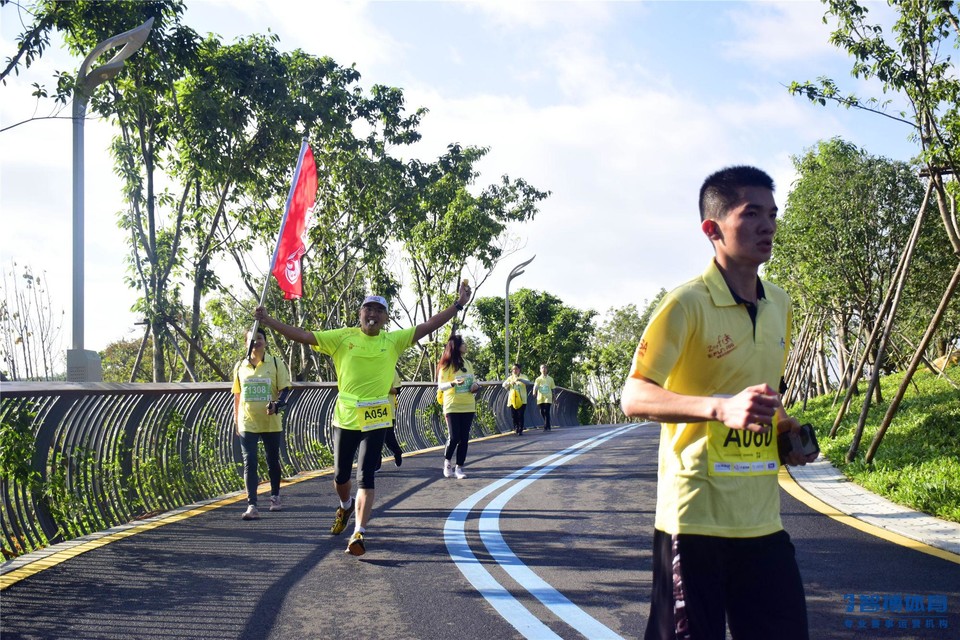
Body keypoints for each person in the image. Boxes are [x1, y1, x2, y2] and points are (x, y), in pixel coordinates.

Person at [620, 165, 817, 640]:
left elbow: (761, 394)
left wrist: (786, 432)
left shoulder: (780, 305)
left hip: (762, 520)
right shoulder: (685, 303)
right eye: (751, 214)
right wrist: (718, 408)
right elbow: (634, 395)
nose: (767, 226)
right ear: (712, 229)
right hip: (693, 520)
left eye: (772, 214)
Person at [254, 282, 471, 556]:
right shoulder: (342, 337)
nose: (373, 314)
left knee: (366, 476)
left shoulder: (393, 340)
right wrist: (268, 321)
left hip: (376, 417)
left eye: (379, 310)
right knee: (340, 476)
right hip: (346, 417)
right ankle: (345, 506)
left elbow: (429, 325)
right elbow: (304, 335)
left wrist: (458, 304)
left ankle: (359, 532)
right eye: (369, 308)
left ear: (386, 318)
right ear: (360, 313)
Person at [232, 327, 292, 521]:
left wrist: (277, 404)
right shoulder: (240, 366)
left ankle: (275, 496)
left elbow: (284, 390)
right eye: (251, 339)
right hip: (247, 421)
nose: (255, 342)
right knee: (249, 461)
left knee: (272, 459)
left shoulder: (275, 363)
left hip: (270, 421)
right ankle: (252, 505)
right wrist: (236, 419)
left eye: (259, 338)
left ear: (265, 342)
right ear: (246, 343)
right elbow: (237, 395)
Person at [437, 331, 481, 479]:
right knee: (454, 436)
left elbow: (473, 381)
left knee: (464, 438)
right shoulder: (446, 365)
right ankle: (447, 462)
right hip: (452, 405)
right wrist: (452, 383)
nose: (465, 345)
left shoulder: (468, 363)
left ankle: (459, 468)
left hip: (468, 405)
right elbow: (441, 386)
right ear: (456, 346)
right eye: (463, 344)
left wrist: (475, 386)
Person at [375, 371, 404, 472]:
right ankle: (376, 464)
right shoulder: (368, 368)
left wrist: (382, 387)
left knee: (388, 437)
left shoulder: (391, 370)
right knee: (374, 438)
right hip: (371, 410)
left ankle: (397, 452)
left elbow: (397, 390)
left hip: (387, 410)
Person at [502, 363, 529, 435]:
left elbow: (528, 382)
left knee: (520, 414)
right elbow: (503, 385)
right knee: (514, 415)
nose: (514, 371)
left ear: (519, 370)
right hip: (513, 400)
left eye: (516, 369)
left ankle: (520, 429)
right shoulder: (510, 378)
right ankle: (516, 428)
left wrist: (520, 380)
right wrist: (510, 383)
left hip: (522, 399)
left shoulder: (523, 376)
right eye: (513, 369)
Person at [533, 363, 556, 431]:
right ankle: (548, 424)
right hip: (540, 398)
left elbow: (553, 388)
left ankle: (546, 426)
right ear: (540, 370)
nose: (544, 369)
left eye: (545, 368)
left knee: (546, 411)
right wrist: (534, 392)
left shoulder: (550, 379)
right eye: (542, 368)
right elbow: (535, 386)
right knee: (542, 412)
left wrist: (554, 397)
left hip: (548, 397)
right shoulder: (538, 379)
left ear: (547, 369)